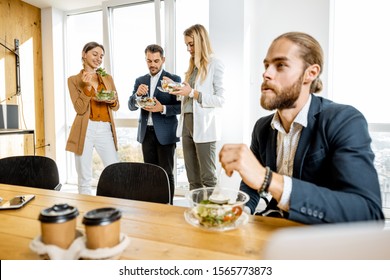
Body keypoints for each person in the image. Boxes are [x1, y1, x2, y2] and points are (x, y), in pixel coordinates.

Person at [219, 32, 384, 224]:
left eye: (280, 65)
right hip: (274, 229)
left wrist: (268, 180)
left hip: (322, 240)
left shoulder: (344, 120)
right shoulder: (262, 128)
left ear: (310, 73)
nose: (266, 74)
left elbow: (368, 213)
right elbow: (252, 183)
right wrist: (241, 212)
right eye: (266, 65)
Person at [169, 24, 225, 190]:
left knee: (208, 177)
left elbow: (220, 99)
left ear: (201, 41)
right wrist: (178, 89)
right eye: (186, 45)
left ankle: (212, 214)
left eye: (191, 44)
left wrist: (193, 92)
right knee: (192, 178)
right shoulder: (192, 66)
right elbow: (189, 95)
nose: (188, 48)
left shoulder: (215, 64)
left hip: (204, 125)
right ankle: (196, 212)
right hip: (187, 122)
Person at [128, 44, 181, 202]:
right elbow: (131, 105)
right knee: (149, 172)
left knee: (166, 172)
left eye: (156, 61)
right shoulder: (140, 80)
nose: (152, 64)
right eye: (149, 61)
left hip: (166, 134)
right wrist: (137, 96)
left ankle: (168, 205)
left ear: (163, 60)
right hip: (146, 134)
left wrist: (162, 108)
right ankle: (153, 205)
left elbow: (179, 107)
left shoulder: (173, 79)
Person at [66, 41, 120, 195]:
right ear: (84, 54)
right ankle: (85, 212)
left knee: (114, 171)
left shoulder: (107, 78)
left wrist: (112, 101)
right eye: (95, 54)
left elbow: (116, 105)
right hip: (85, 129)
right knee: (84, 177)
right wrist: (88, 87)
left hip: (104, 128)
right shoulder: (74, 80)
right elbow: (79, 108)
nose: (98, 58)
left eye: (101, 56)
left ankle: (114, 208)